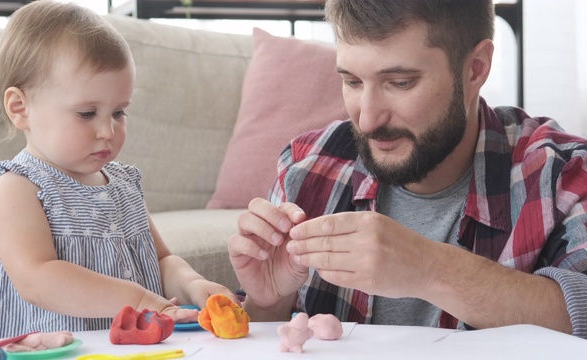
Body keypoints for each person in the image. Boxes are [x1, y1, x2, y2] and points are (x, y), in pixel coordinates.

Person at [228, 0, 587, 338]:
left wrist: (429, 269)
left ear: (475, 68)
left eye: (399, 83)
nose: (367, 121)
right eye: (352, 81)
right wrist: (268, 302)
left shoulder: (560, 174)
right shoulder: (307, 168)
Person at [0, 0, 235, 342]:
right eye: (87, 113)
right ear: (20, 108)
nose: (108, 132)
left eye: (118, 112)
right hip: (47, 351)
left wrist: (193, 284)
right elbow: (36, 280)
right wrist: (139, 299)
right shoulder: (17, 188)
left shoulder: (124, 184)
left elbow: (161, 260)